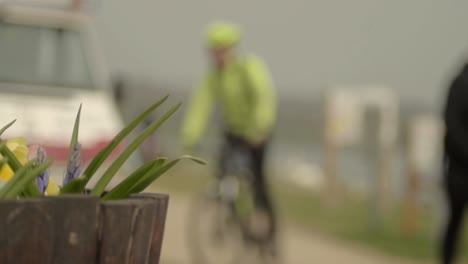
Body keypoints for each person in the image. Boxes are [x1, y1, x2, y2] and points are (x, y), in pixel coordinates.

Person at [181, 22, 277, 245]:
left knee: (258, 180)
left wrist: (260, 127)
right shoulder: (214, 76)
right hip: (232, 131)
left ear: (232, 48)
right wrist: (190, 135)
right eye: (213, 50)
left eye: (221, 49)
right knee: (223, 173)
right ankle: (234, 215)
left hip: (256, 132)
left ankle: (268, 228)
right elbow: (200, 105)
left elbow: (264, 97)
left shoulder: (249, 67)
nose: (216, 55)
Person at [441, 62, 468, 264]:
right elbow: (452, 124)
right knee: (454, 222)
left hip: (457, 168)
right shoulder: (460, 85)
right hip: (459, 171)